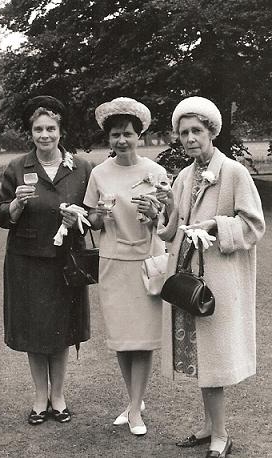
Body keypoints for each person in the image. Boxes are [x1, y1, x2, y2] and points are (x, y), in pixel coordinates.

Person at [156, 96, 265, 457]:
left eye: (196, 131)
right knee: (201, 356)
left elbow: (254, 225)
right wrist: (164, 210)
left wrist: (215, 226)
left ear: (211, 132)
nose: (189, 138)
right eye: (184, 132)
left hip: (220, 281)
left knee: (215, 359)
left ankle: (221, 435)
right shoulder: (185, 175)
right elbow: (173, 231)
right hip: (189, 280)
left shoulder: (233, 172)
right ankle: (207, 427)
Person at [0, 95, 92, 425]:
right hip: (27, 262)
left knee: (61, 331)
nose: (44, 135)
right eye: (38, 129)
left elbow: (91, 215)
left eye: (51, 128)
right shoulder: (18, 168)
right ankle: (39, 397)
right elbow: (2, 215)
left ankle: (59, 396)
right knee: (35, 332)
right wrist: (16, 206)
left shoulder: (80, 168)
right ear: (31, 133)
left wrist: (88, 214)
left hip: (66, 263)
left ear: (61, 131)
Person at [84, 97, 168, 436]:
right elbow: (90, 220)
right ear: (108, 138)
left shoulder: (155, 173)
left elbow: (168, 220)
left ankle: (135, 408)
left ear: (140, 135)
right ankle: (135, 402)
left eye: (128, 134)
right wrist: (98, 217)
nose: (122, 140)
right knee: (121, 339)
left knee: (143, 339)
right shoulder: (99, 173)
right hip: (113, 263)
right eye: (115, 134)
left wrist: (155, 214)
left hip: (147, 262)